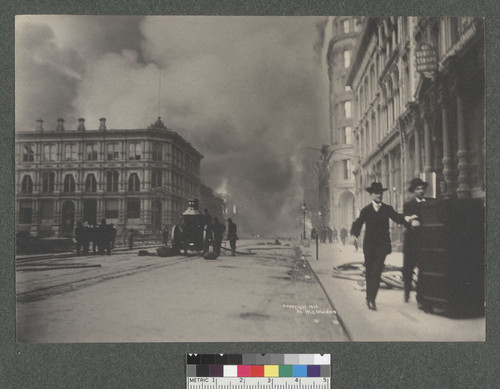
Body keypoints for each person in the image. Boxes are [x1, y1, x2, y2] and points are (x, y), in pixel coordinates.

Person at [350, 182, 416, 311]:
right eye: (375, 192)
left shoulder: (387, 209)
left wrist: (407, 219)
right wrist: (354, 234)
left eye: (380, 192)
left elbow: (397, 217)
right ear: (371, 195)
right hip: (369, 247)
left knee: (376, 272)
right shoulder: (366, 210)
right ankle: (369, 297)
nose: (379, 195)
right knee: (369, 272)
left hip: (382, 246)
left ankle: (372, 300)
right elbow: (358, 223)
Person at [403, 178, 434, 304]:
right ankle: (406, 292)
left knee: (424, 270)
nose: (421, 191)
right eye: (418, 189)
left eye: (422, 188)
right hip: (411, 243)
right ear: (414, 191)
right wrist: (410, 220)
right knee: (408, 270)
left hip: (425, 243)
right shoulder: (408, 205)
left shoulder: (431, 203)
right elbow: (405, 221)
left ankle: (420, 296)